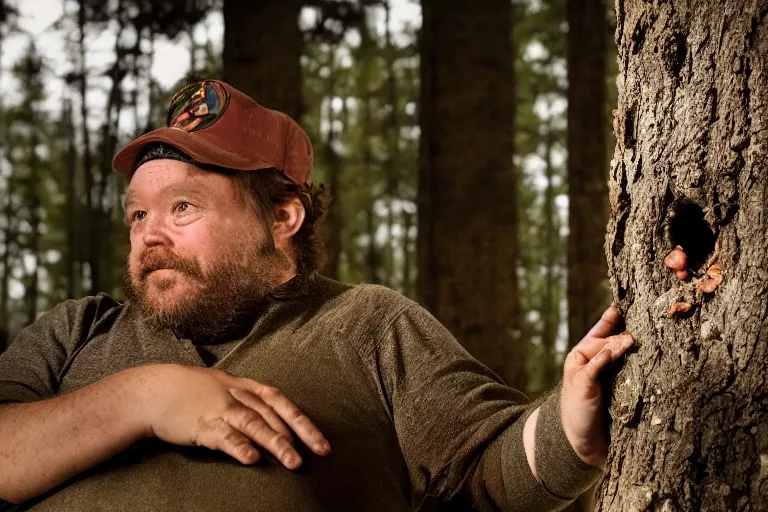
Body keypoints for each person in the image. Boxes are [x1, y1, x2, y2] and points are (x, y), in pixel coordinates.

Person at [0, 79, 634, 511]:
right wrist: (143, 397)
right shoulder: (77, 331)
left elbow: (489, 474)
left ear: (282, 218)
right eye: (137, 215)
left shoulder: (369, 326)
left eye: (182, 207)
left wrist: (571, 429)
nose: (150, 236)